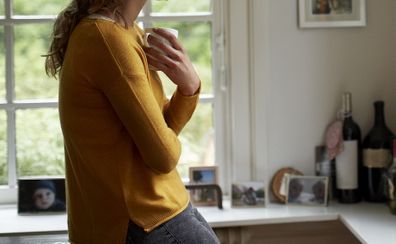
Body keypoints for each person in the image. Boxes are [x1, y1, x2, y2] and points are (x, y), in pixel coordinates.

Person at [44, 0, 220, 243]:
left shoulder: (126, 32)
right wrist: (188, 90)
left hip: (153, 213)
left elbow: (156, 131)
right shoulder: (108, 40)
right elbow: (163, 155)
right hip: (142, 219)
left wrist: (188, 87)